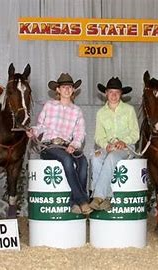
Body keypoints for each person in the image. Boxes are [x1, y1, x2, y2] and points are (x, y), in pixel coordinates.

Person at [26, 73, 92, 215]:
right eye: (64, 87)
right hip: (50, 145)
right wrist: (33, 131)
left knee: (83, 162)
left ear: (73, 90)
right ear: (58, 90)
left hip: (68, 145)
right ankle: (82, 200)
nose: (67, 90)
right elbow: (41, 126)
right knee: (67, 160)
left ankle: (74, 203)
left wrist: (73, 145)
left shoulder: (77, 111)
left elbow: (80, 134)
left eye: (69, 87)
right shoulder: (49, 106)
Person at [90, 77, 140, 211]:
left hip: (126, 147)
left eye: (117, 92)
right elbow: (98, 136)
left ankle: (97, 196)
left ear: (121, 94)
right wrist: (106, 145)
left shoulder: (129, 110)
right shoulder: (101, 113)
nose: (113, 95)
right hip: (109, 146)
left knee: (112, 158)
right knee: (96, 158)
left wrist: (124, 142)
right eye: (111, 92)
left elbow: (135, 134)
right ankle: (105, 199)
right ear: (106, 93)